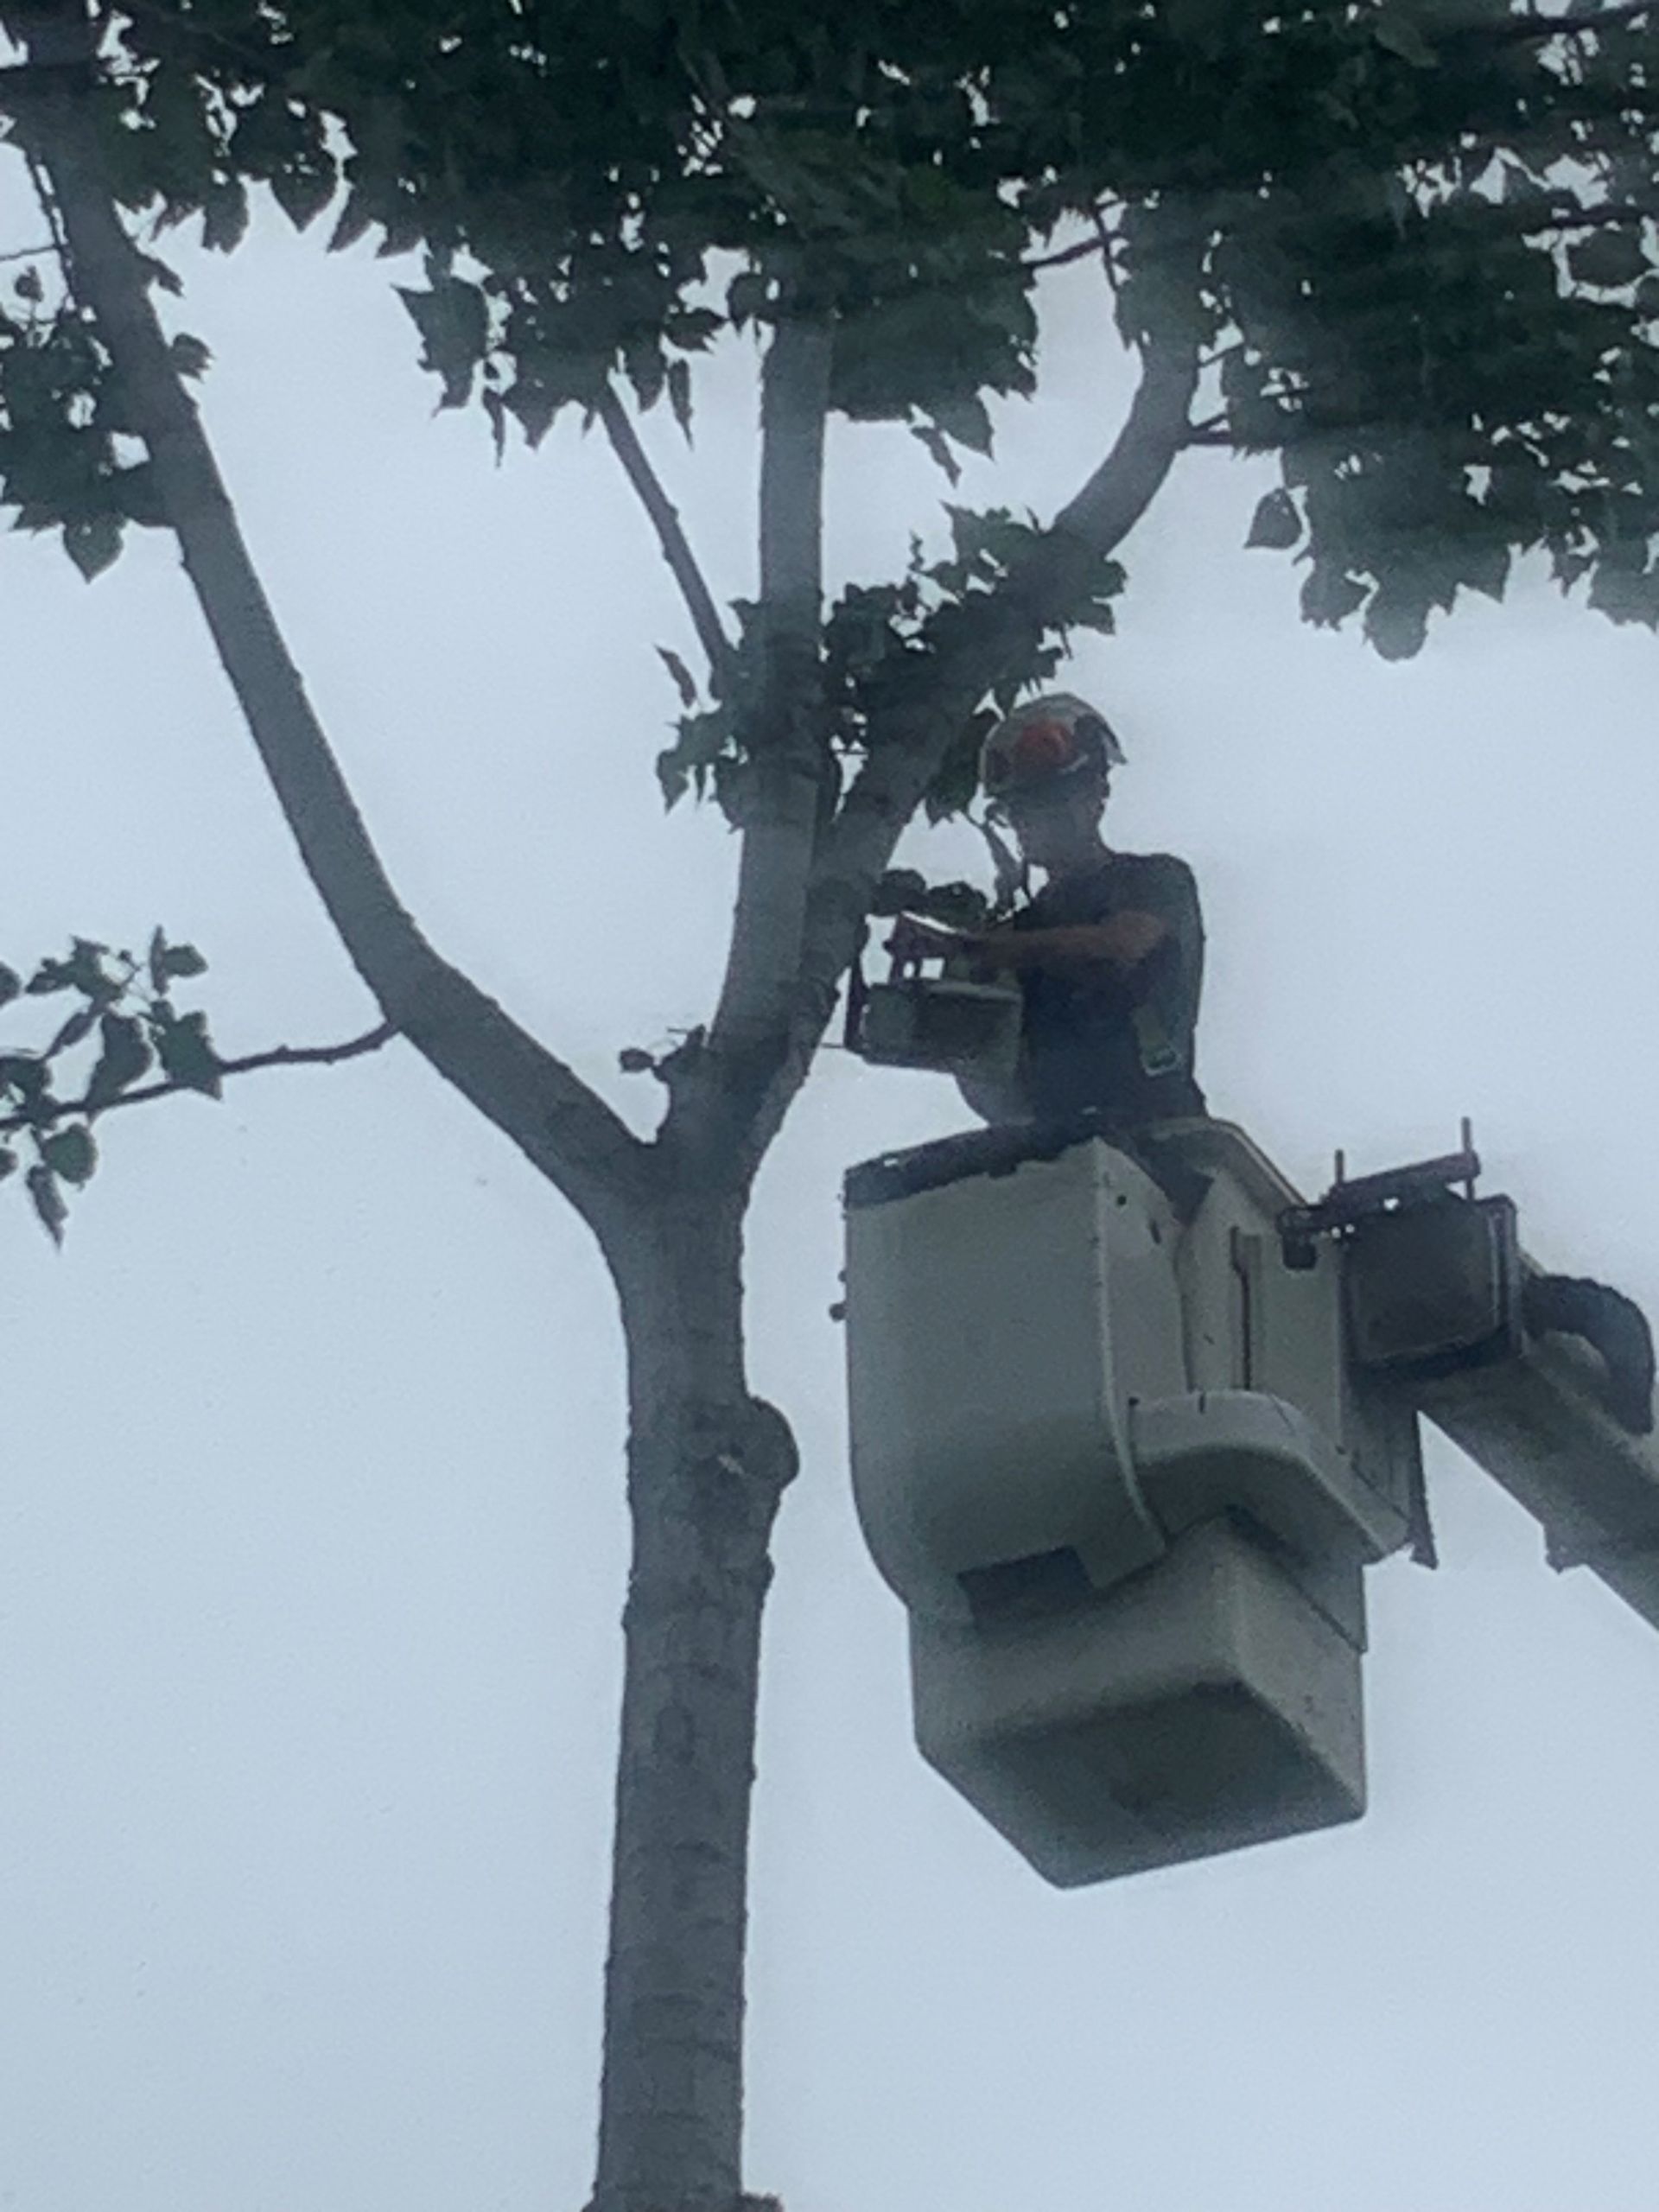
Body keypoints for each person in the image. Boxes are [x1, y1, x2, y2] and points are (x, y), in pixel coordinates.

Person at [897, 692, 1206, 1135]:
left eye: (1047, 802)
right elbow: (990, 1083)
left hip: (1161, 1135)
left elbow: (1121, 945)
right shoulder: (1010, 939)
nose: (1031, 823)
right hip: (1057, 1143)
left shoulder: (1154, 880)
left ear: (1097, 794)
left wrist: (968, 947)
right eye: (1019, 810)